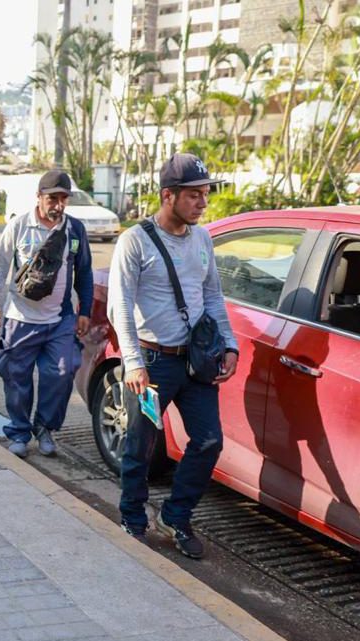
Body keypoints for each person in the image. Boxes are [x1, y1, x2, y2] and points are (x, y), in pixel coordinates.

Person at [108, 153, 238, 559]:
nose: (203, 203)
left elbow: (213, 294)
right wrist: (133, 363)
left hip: (195, 364)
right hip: (152, 366)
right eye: (194, 195)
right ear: (169, 195)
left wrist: (230, 343)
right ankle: (132, 518)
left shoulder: (202, 239)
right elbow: (120, 306)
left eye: (205, 194)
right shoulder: (135, 241)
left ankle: (175, 516)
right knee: (140, 443)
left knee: (208, 440)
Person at [0, 170, 93, 459]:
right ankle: (19, 431)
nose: (58, 204)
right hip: (20, 318)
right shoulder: (20, 226)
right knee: (16, 378)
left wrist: (86, 310)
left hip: (59, 319)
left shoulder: (74, 230)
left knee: (62, 370)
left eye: (63, 199)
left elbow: (84, 271)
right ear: (39, 197)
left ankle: (44, 427)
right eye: (52, 198)